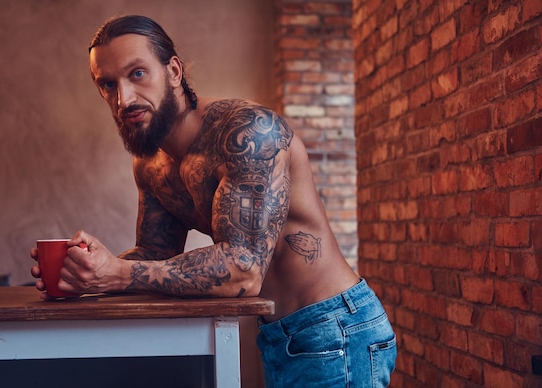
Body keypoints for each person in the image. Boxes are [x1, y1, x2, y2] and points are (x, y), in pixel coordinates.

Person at [30, 14, 396, 387]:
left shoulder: (248, 133)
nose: (123, 99)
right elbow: (155, 256)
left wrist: (115, 274)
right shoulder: (150, 164)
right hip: (279, 334)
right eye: (108, 84)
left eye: (137, 74)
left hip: (334, 328)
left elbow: (243, 269)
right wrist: (84, 270)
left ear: (173, 70)